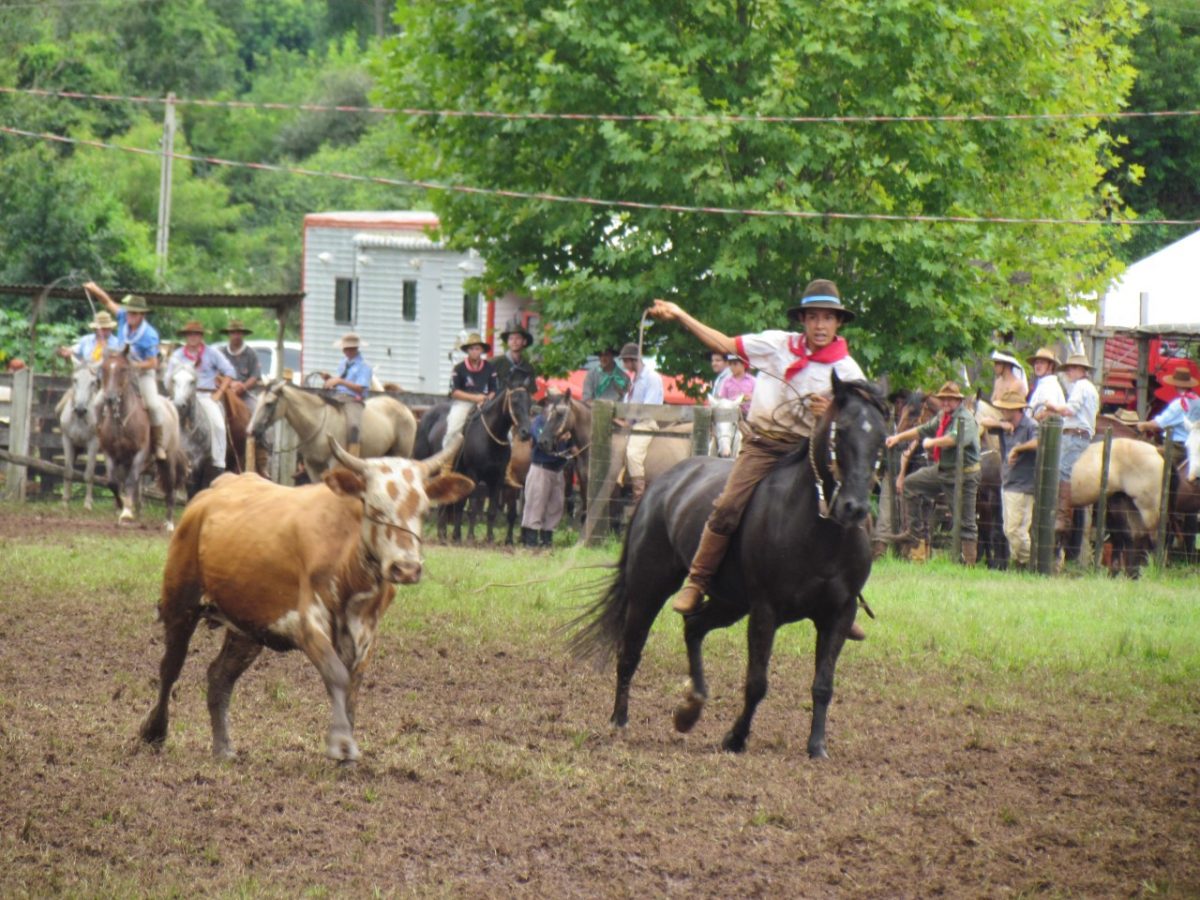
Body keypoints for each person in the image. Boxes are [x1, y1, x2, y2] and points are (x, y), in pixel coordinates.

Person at [647, 278, 866, 633]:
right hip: (765, 446)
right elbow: (722, 342)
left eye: (828, 318)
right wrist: (680, 314)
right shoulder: (776, 346)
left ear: (838, 323)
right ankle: (699, 580)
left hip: (811, 450)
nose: (820, 325)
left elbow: (859, 418)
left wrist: (832, 412)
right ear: (803, 320)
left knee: (850, 511)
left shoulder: (848, 369)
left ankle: (847, 597)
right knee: (728, 505)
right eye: (813, 317)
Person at [885, 381, 982, 566]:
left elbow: (955, 439)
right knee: (911, 484)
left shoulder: (965, 418)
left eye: (950, 400)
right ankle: (914, 534)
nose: (946, 403)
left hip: (964, 475)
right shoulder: (942, 417)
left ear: (958, 401)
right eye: (943, 399)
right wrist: (898, 437)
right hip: (944, 469)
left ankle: (969, 564)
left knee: (965, 521)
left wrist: (933, 443)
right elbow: (922, 430)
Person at [84, 281, 168, 460]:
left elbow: (153, 362)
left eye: (135, 313)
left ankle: (158, 444)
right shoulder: (122, 317)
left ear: (142, 315)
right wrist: (95, 289)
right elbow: (108, 302)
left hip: (142, 373)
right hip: (120, 372)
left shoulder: (149, 335)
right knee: (98, 402)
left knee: (153, 405)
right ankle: (100, 436)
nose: (130, 316)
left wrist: (135, 366)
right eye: (130, 312)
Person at [1044, 352, 1099, 559]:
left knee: (1062, 470)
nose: (1068, 372)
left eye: (1071, 368)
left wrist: (1052, 407)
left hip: (1075, 435)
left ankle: (1062, 516)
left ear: (1080, 370)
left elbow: (1069, 410)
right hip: (1082, 433)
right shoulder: (1091, 389)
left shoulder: (1081, 387)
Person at [165, 320, 238, 472]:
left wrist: (219, 393)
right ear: (186, 336)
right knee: (164, 420)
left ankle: (218, 461)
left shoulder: (212, 353)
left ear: (201, 336)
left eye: (196, 334)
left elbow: (230, 372)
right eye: (190, 334)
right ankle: (163, 457)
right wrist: (174, 393)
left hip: (205, 395)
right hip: (181, 396)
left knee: (218, 424)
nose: (193, 337)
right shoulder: (177, 356)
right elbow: (167, 379)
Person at [992, 389, 1039, 570]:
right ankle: (1023, 565)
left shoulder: (1030, 426)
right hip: (1009, 484)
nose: (1003, 411)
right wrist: (1002, 426)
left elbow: (1038, 442)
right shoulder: (1005, 424)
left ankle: (1035, 562)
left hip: (1023, 485)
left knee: (1015, 531)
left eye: (1006, 408)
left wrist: (1017, 449)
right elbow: (984, 422)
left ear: (1017, 409)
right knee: (1010, 530)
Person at [521, 396, 574, 547]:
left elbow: (572, 445)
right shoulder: (539, 421)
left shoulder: (564, 424)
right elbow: (541, 440)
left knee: (555, 505)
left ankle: (547, 539)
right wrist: (559, 436)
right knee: (536, 503)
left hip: (558, 469)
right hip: (541, 467)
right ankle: (531, 541)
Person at [617, 341, 664, 503]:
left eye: (625, 361)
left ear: (632, 360)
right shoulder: (634, 379)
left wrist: (630, 416)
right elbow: (626, 402)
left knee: (633, 454)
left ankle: (639, 495)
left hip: (646, 422)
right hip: (632, 422)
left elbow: (648, 407)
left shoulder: (652, 378)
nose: (624, 364)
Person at [444, 333, 497, 450]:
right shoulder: (459, 368)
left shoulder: (490, 367)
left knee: (504, 430)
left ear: (482, 350)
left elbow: (493, 389)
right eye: (471, 349)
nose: (474, 351)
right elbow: (454, 392)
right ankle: (446, 461)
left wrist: (487, 399)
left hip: (485, 403)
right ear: (467, 351)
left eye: (477, 348)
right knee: (453, 428)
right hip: (464, 403)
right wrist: (475, 398)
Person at [324, 333, 372, 456]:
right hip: (338, 396)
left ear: (356, 349)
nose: (347, 351)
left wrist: (339, 381)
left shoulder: (364, 366)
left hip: (353, 399)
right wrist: (331, 380)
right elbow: (341, 382)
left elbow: (360, 388)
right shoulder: (343, 363)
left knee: (353, 426)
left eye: (350, 348)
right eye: (345, 349)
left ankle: (353, 455)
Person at [1136, 368, 1200, 450]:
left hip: (1178, 446)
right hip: (1193, 443)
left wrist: (1143, 425)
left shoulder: (1179, 404)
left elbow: (1159, 424)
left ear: (1176, 385)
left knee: (1143, 452)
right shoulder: (1197, 400)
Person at [1026, 346, 1066, 422]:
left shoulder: (1050, 385)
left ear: (1050, 366)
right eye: (1036, 363)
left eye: (1042, 363)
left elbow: (1050, 413)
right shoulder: (1043, 384)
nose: (1038, 366)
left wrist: (1030, 423)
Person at [493, 325, 537, 390]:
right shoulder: (495, 363)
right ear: (508, 342)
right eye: (511, 338)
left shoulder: (528, 368)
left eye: (518, 338)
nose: (514, 341)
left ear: (524, 342)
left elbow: (531, 392)